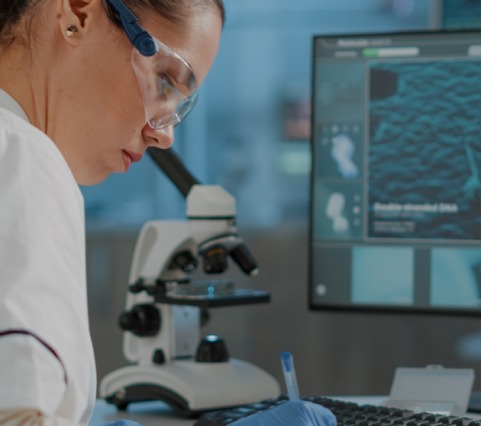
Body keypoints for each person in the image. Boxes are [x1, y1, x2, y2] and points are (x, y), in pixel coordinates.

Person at [0, 0, 337, 425]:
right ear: (78, 13)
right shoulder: (18, 156)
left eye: (180, 103)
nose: (164, 136)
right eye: (164, 80)